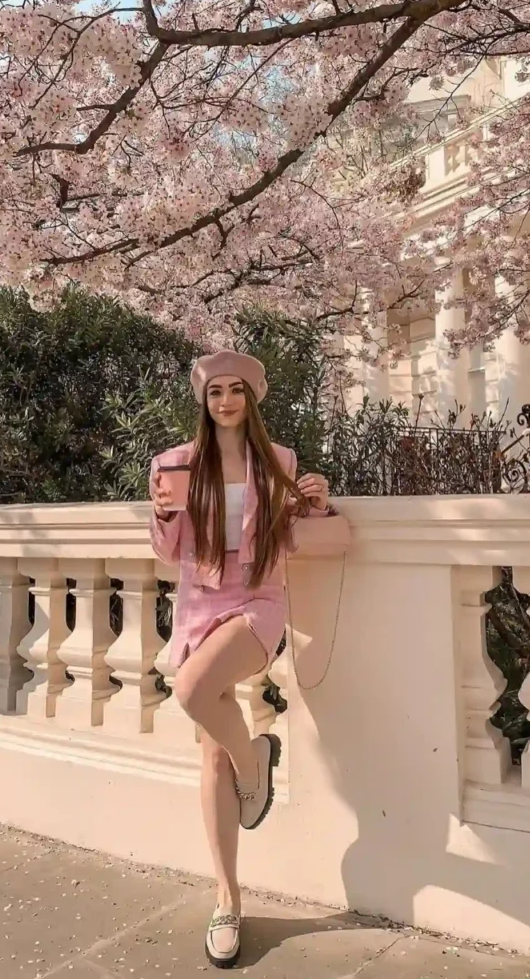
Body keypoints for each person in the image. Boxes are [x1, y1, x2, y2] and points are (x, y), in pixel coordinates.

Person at [149, 351, 333, 969]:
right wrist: (162, 513)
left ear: (252, 399)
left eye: (236, 392)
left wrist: (315, 501)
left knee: (192, 689)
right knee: (209, 753)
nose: (225, 402)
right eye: (215, 392)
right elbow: (165, 551)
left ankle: (253, 766)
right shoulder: (175, 464)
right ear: (203, 401)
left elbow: (290, 534)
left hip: (259, 600)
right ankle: (227, 899)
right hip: (201, 604)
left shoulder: (278, 462)